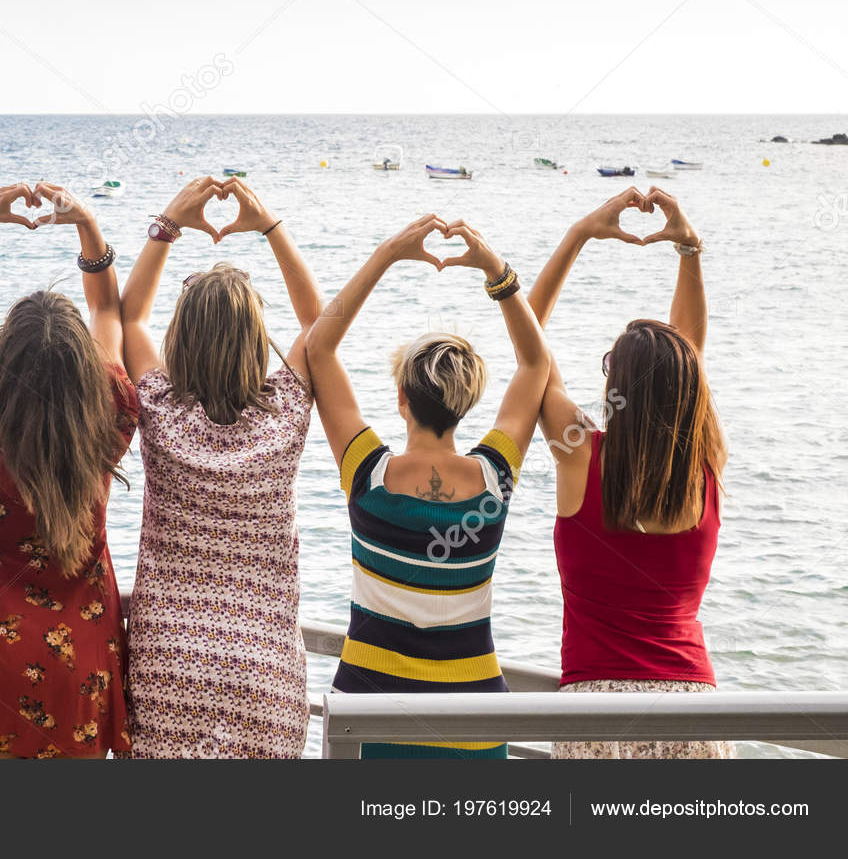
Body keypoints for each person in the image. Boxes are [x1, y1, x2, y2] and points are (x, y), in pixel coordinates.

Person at [305, 215, 549, 758]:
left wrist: (388, 253)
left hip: (368, 719)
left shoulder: (367, 474)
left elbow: (318, 348)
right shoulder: (493, 479)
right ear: (465, 408)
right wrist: (496, 272)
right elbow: (536, 362)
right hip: (475, 721)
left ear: (401, 399)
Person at [120, 176, 323, 758]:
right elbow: (318, 327)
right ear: (258, 340)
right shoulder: (283, 416)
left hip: (168, 667)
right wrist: (271, 228)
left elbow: (130, 318)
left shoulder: (160, 411)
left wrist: (168, 224)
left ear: (180, 338)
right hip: (265, 674)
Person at [528, 187, 731, 759]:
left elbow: (530, 345)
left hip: (597, 716)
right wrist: (689, 251)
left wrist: (579, 234)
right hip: (695, 713)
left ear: (615, 385)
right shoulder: (703, 469)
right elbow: (685, 363)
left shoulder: (578, 454)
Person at [0, 182, 138, 759]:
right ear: (85, 369)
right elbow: (107, 307)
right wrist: (87, 226)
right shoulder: (110, 419)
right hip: (79, 663)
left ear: (4, 358)